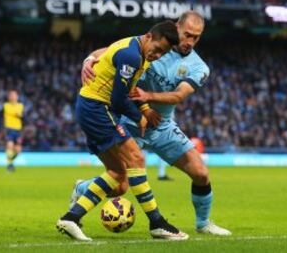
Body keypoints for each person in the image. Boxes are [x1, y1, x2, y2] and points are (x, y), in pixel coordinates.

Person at [80, 11, 231, 236]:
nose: (190, 41)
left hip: (160, 125)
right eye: (187, 34)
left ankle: (203, 223)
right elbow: (103, 53)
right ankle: (81, 189)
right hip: (127, 121)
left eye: (196, 37)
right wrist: (88, 60)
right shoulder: (150, 43)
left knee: (201, 173)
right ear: (176, 27)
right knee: (120, 185)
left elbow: (179, 95)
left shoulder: (199, 67)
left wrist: (147, 96)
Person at [56, 20, 188, 242]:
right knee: (136, 158)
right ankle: (157, 223)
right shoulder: (131, 56)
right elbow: (118, 99)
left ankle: (71, 217)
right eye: (157, 49)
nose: (157, 55)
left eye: (163, 53)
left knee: (118, 177)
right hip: (97, 108)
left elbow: (129, 89)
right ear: (148, 37)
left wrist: (145, 108)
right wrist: (140, 117)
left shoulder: (139, 52)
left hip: (91, 107)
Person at [3, 90, 24, 172]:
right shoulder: (6, 105)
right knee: (10, 145)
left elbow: (20, 114)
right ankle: (9, 165)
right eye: (11, 95)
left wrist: (18, 114)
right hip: (9, 128)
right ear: (9, 97)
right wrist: (17, 114)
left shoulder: (20, 105)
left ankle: (10, 161)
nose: (12, 97)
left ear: (17, 97)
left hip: (18, 129)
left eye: (14, 95)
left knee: (18, 150)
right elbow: (15, 113)